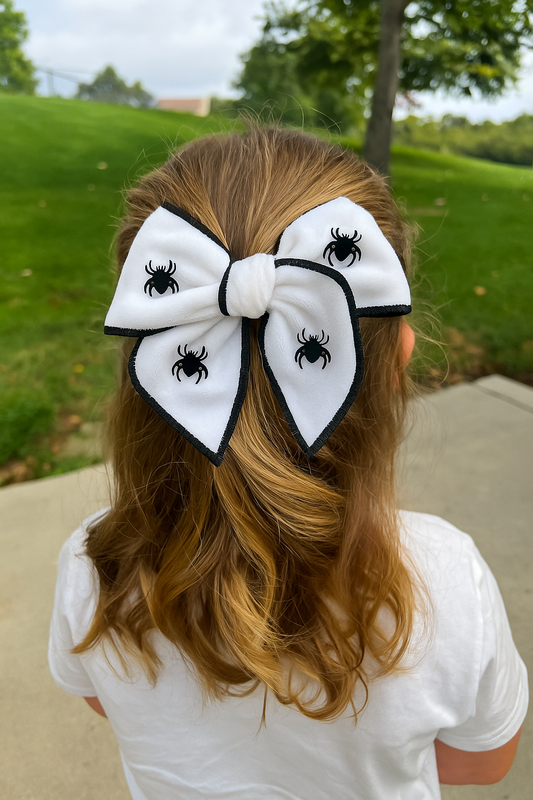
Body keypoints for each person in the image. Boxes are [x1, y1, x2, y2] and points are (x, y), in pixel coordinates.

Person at [49, 127, 527, 800]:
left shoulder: (94, 566)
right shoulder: (446, 583)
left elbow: (104, 704)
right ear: (398, 358)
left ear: (150, 366)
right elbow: (482, 763)